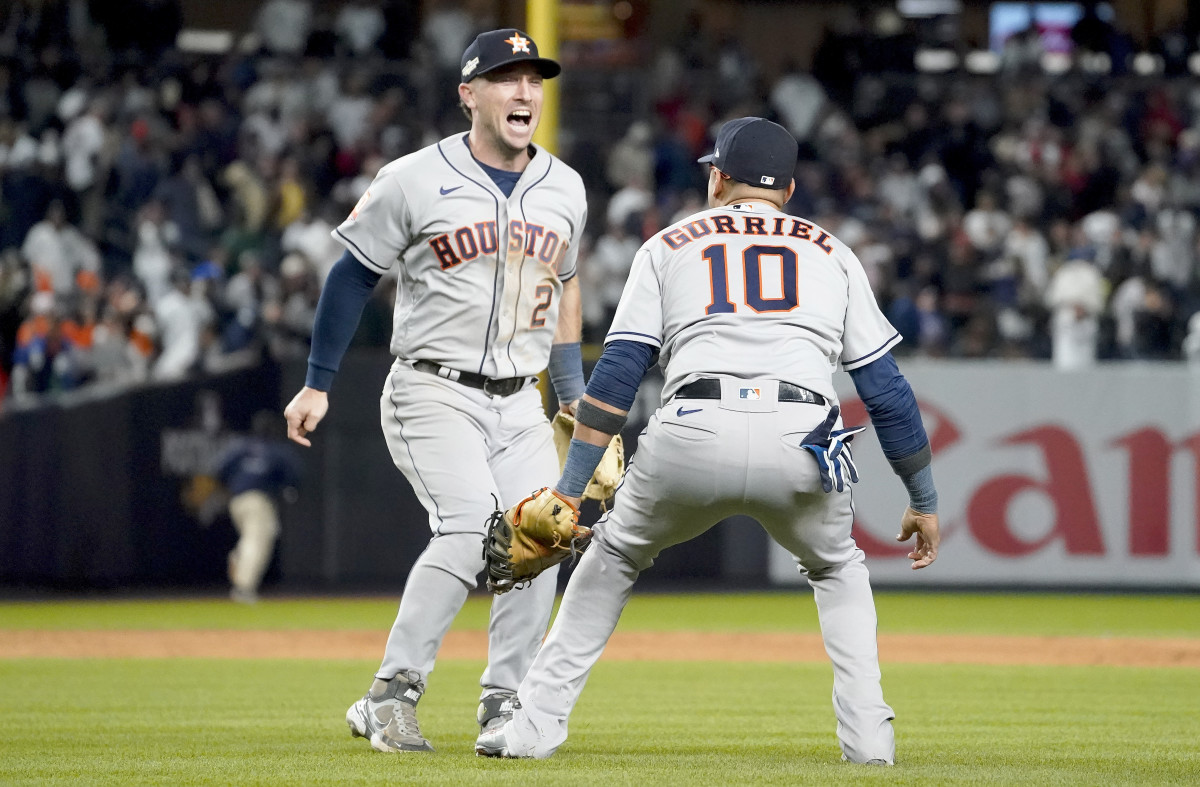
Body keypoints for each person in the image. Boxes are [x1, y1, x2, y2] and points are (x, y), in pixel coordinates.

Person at [476, 118, 941, 764]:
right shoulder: (833, 252)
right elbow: (887, 392)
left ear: (719, 177)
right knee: (838, 567)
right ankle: (870, 743)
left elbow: (616, 377)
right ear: (791, 188)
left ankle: (530, 728)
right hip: (803, 435)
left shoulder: (669, 243)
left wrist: (569, 490)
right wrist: (923, 497)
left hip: (694, 425)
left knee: (612, 558)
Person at [283, 28, 588, 754]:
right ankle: (390, 694)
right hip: (432, 387)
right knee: (469, 528)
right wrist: (317, 383)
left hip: (522, 399)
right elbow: (351, 274)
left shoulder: (566, 186)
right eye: (506, 78)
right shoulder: (413, 178)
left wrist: (570, 393)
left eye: (533, 80)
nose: (524, 92)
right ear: (469, 94)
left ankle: (504, 702)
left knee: (540, 536)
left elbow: (567, 285)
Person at [215, 411, 302, 603]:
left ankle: (239, 557)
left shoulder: (241, 447)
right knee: (257, 541)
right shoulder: (276, 450)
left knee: (257, 537)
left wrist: (231, 484)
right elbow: (294, 474)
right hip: (257, 501)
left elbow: (220, 468)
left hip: (237, 501)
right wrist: (287, 488)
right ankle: (243, 589)